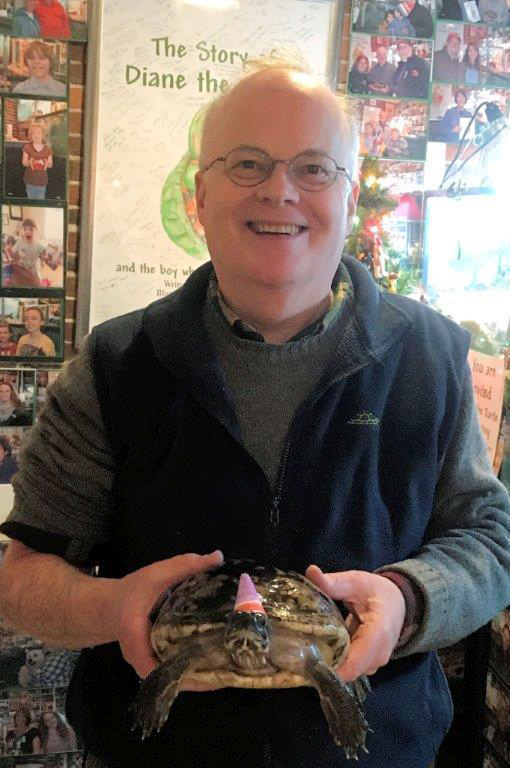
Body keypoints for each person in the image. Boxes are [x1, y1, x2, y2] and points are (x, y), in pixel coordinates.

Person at [0, 56, 509, 768]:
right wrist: (111, 608)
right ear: (198, 196)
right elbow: (22, 578)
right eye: (246, 163)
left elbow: (488, 541)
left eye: (314, 167)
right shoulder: (115, 365)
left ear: (352, 195)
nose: (280, 190)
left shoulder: (431, 357)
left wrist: (406, 601)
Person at [22, 120, 53, 201]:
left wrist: (46, 163)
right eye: (34, 133)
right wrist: (30, 162)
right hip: (30, 180)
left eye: (39, 133)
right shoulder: (27, 147)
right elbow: (24, 163)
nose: (36, 135)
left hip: (42, 182)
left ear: (43, 135)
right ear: (30, 135)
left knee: (40, 201)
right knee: (30, 200)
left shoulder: (48, 149)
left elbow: (50, 164)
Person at [9, 219, 46, 287]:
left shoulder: (39, 246)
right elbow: (13, 254)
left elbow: (45, 258)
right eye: (25, 229)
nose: (27, 231)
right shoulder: (19, 242)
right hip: (22, 270)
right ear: (22, 231)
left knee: (36, 286)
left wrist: (49, 257)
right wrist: (9, 250)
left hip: (33, 272)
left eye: (31, 229)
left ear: (36, 232)